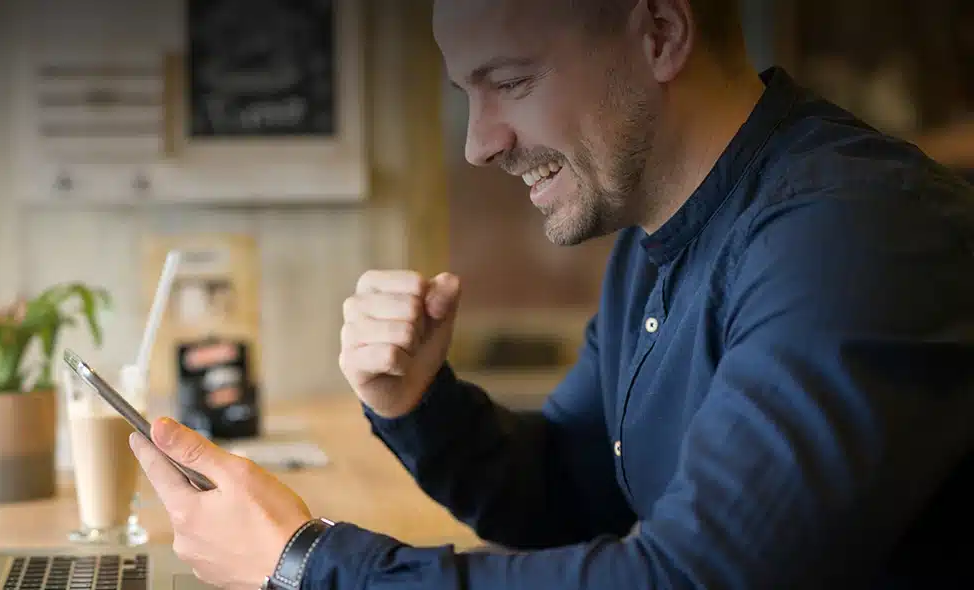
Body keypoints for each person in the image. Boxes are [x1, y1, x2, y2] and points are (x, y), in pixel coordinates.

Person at [127, 0, 974, 587]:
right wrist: (421, 404)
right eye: (468, 94)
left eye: (512, 81)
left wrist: (307, 564)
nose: (480, 143)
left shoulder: (853, 233)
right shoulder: (654, 237)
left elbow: (694, 580)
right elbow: (574, 491)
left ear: (661, 31)